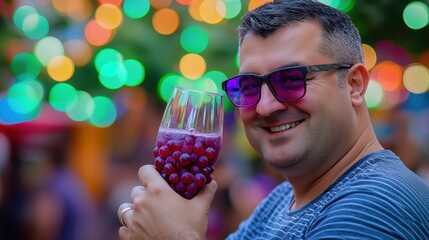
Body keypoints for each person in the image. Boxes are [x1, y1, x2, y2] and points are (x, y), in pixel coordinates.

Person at [117, 0, 429, 239]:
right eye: (250, 86)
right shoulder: (281, 201)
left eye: (292, 79)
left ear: (355, 85)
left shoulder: (373, 205)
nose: (265, 106)